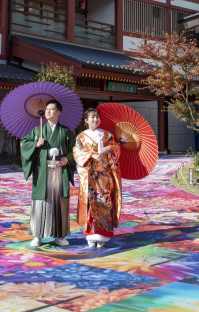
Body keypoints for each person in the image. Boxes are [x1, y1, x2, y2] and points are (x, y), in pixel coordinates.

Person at [19, 99, 75, 247]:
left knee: (59, 202)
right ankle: (38, 235)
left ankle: (60, 236)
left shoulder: (65, 131)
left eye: (52, 109)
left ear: (58, 112)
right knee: (40, 202)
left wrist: (66, 159)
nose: (48, 111)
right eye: (47, 109)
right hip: (43, 171)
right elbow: (24, 143)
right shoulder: (38, 131)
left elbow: (74, 150)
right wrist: (35, 144)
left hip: (59, 170)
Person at [73, 108, 122, 248]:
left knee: (105, 203)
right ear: (86, 120)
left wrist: (111, 149)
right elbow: (76, 152)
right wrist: (91, 155)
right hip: (89, 175)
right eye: (92, 117)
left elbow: (117, 149)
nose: (95, 120)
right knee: (90, 202)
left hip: (105, 176)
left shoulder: (107, 135)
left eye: (97, 117)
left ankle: (103, 235)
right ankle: (91, 234)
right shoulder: (81, 136)